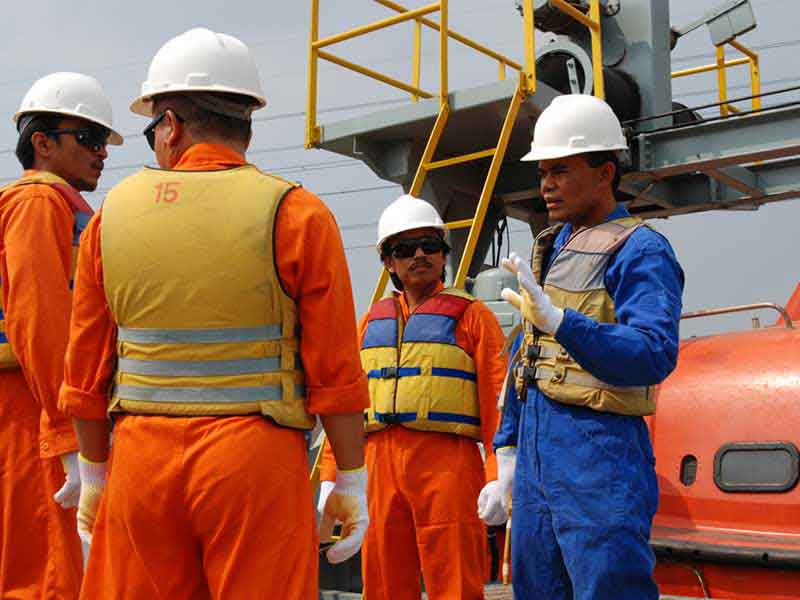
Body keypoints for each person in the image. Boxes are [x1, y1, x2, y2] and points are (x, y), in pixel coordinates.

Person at [57, 28, 369, 599]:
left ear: (171, 123)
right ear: (246, 119)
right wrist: (350, 477)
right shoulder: (296, 213)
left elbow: (85, 371)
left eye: (153, 129)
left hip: (140, 462)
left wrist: (95, 471)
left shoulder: (111, 218)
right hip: (257, 461)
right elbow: (335, 373)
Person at [478, 94, 685, 600]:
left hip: (600, 461)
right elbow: (527, 359)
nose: (546, 184)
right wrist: (507, 454)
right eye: (543, 171)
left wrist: (563, 323)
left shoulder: (641, 249)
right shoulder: (551, 246)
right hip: (537, 464)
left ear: (604, 172)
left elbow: (654, 352)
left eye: (561, 170)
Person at [319, 195, 506, 599]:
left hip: (448, 465)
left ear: (443, 254)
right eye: (405, 249)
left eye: (430, 246)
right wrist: (331, 479)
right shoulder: (369, 323)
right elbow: (347, 405)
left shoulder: (473, 317)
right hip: (377, 467)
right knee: (383, 581)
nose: (419, 255)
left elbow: (498, 406)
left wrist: (498, 476)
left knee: (455, 579)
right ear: (389, 262)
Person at [0, 71, 121, 598]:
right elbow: (39, 319)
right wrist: (67, 429)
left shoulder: (57, 205)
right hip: (36, 407)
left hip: (43, 404)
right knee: (47, 568)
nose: (102, 153)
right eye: (89, 139)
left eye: (104, 142)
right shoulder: (39, 202)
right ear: (42, 143)